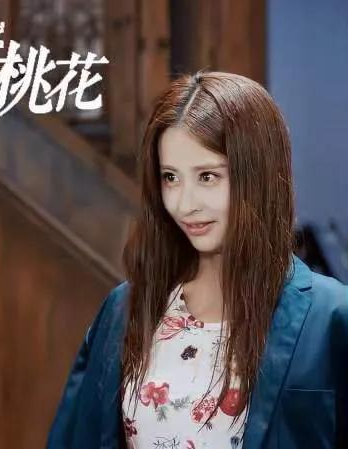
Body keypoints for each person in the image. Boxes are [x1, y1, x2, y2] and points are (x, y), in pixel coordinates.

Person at [46, 72, 348, 449]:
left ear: (259, 176)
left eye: (207, 176)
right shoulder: (125, 309)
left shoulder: (330, 318)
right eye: (170, 178)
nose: (185, 204)